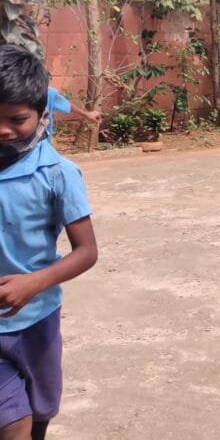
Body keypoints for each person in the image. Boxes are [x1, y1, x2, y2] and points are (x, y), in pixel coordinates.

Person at [0, 44, 99, 440]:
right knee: (12, 423)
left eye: (16, 119)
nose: (3, 130)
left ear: (43, 114)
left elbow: (87, 251)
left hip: (37, 316)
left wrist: (34, 282)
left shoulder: (58, 173)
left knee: (41, 411)